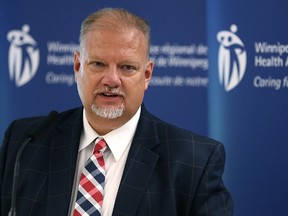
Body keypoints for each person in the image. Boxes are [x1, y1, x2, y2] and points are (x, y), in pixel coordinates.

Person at [0, 8, 233, 216]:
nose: (112, 79)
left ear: (147, 75)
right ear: (78, 66)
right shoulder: (25, 143)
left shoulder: (194, 162)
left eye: (127, 67)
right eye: (98, 64)